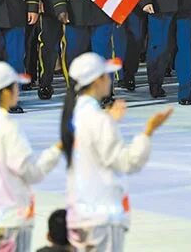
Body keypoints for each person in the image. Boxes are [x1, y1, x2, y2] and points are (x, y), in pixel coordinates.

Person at [62, 53, 172, 251]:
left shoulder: (76, 113)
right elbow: (126, 162)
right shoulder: (98, 119)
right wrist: (147, 132)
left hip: (81, 210)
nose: (110, 80)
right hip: (101, 216)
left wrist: (110, 120)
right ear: (97, 80)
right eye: (107, 75)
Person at [0, 62, 61, 251]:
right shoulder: (7, 127)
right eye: (15, 86)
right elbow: (29, 172)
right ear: (5, 92)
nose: (18, 90)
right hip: (11, 217)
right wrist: (55, 151)